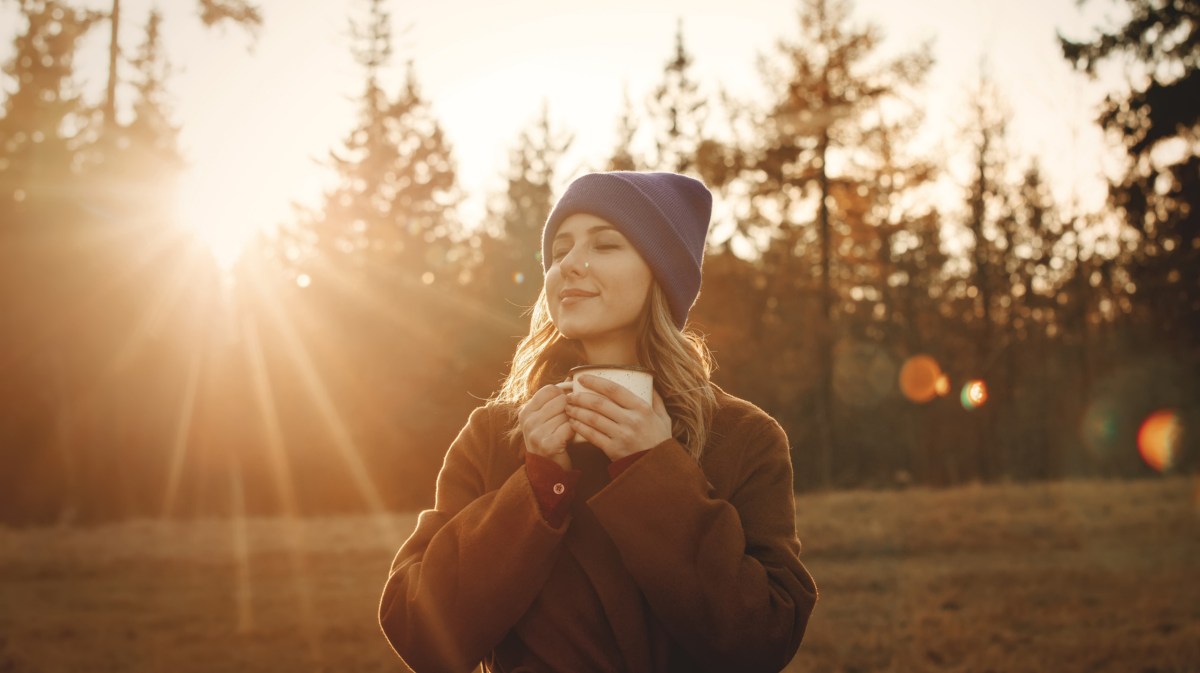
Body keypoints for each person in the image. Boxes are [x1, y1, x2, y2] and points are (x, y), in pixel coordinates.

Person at [378, 171, 818, 673]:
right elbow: (418, 631)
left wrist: (651, 471)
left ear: (662, 273)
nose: (571, 265)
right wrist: (537, 487)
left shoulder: (742, 437)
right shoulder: (494, 434)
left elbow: (763, 639)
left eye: (606, 245)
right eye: (560, 249)